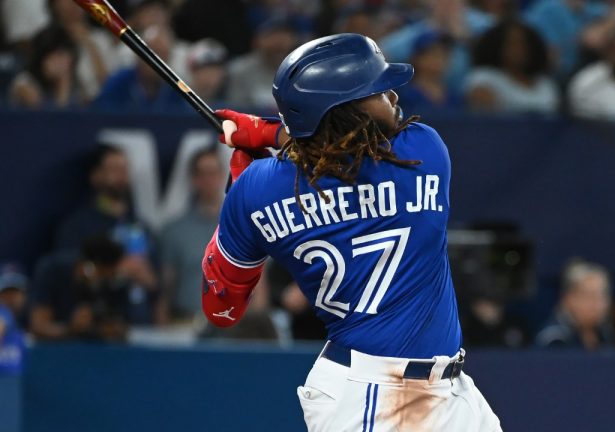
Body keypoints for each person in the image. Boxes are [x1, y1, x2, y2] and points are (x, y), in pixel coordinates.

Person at [202, 34, 501, 431]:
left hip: (427, 389)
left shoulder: (257, 189)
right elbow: (344, 150)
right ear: (344, 113)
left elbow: (221, 309)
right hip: (376, 400)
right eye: (376, 91)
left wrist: (240, 195)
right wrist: (269, 133)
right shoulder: (423, 152)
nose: (393, 96)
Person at [55, 144, 158, 324]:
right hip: (96, 329)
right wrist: (115, 270)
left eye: (124, 168)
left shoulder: (141, 227)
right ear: (96, 176)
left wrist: (148, 279)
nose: (122, 175)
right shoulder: (78, 226)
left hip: (141, 328)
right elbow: (67, 276)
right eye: (113, 169)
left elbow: (157, 285)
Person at [159, 148, 225, 322]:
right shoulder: (174, 231)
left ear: (222, 176)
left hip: (232, 329)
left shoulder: (243, 226)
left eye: (212, 173)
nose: (208, 180)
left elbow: (258, 283)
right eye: (202, 174)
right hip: (185, 322)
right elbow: (166, 287)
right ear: (194, 179)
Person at [29, 235, 129, 342]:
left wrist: (110, 329)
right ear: (92, 267)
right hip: (54, 352)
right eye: (108, 273)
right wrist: (71, 328)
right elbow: (38, 327)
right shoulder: (53, 271)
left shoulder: (114, 285)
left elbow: (121, 328)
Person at [465, 19, 559, 114]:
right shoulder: (484, 79)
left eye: (524, 44)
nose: (519, 50)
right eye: (512, 44)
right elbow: (485, 122)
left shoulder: (546, 85)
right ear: (497, 46)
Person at [536, 260, 614, 350]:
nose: (598, 304)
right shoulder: (554, 340)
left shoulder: (606, 334)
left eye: (603, 296)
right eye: (590, 296)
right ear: (568, 299)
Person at [8, 25, 84, 108]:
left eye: (66, 56)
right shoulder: (24, 84)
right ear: (42, 58)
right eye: (57, 55)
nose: (63, 63)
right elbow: (49, 118)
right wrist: (63, 86)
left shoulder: (74, 84)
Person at [0, 263, 26, 374]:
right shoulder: (3, 313)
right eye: (6, 293)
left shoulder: (29, 317)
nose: (10, 298)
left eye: (14, 292)